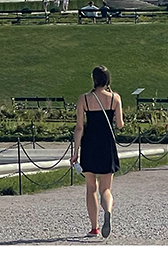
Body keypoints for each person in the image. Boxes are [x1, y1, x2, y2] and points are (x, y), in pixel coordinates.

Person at [70, 66, 124, 238]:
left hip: (90, 145)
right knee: (105, 189)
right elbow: (120, 125)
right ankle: (107, 210)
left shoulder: (84, 99)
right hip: (106, 144)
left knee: (91, 188)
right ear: (108, 79)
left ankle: (94, 228)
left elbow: (79, 128)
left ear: (93, 79)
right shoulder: (115, 98)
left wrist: (75, 151)